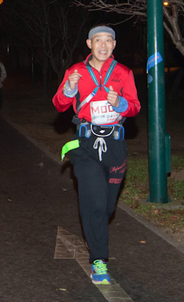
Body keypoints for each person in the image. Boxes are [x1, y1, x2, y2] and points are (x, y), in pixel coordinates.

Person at [53, 26, 140, 284]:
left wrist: (120, 104)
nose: (103, 45)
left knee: (107, 206)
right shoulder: (75, 71)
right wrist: (69, 89)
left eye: (108, 40)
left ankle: (95, 229)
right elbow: (59, 104)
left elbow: (135, 107)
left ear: (114, 44)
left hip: (114, 145)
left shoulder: (123, 73)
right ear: (89, 43)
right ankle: (99, 260)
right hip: (86, 144)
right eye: (98, 40)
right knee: (95, 202)